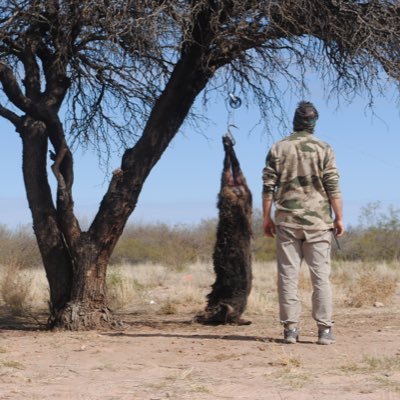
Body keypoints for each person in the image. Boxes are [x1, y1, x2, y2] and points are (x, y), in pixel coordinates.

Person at [262, 101, 344, 345]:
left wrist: (266, 217)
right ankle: (324, 330)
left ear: (294, 121)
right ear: (314, 123)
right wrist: (339, 216)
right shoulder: (324, 148)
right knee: (321, 277)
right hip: (318, 223)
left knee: (287, 275)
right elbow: (333, 185)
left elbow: (268, 185)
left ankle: (290, 330)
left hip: (286, 221)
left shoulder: (279, 148)